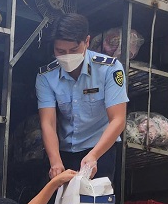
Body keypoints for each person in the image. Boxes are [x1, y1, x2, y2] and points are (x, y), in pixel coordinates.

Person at [35, 13, 129, 182]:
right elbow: (47, 122)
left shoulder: (110, 68)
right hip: (63, 152)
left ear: (86, 41)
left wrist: (94, 156)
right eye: (60, 51)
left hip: (101, 150)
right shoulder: (46, 76)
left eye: (73, 50)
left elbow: (118, 119)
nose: (67, 56)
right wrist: (55, 161)